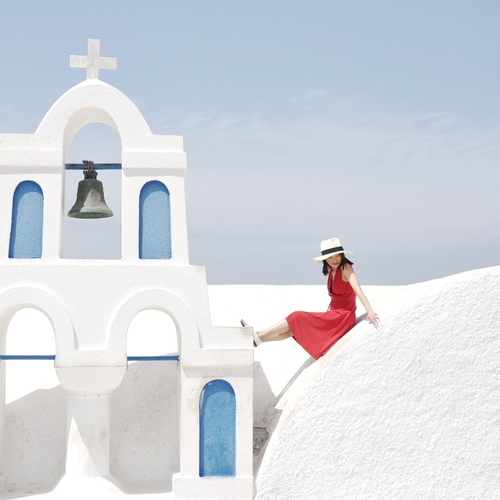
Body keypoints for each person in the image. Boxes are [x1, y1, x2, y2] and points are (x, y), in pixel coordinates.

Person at [241, 237, 378, 360]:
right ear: (325, 259)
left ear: (342, 255)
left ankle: (260, 334)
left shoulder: (345, 268)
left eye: (337, 256)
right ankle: (260, 339)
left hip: (343, 316)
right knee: (294, 328)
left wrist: (370, 310)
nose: (335, 260)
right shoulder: (331, 271)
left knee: (296, 317)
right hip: (334, 314)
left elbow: (358, 289)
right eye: (330, 257)